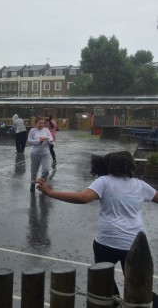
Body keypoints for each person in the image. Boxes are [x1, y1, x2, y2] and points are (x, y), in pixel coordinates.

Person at [37, 151, 158, 300]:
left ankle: (113, 300)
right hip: (135, 244)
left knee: (104, 280)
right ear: (130, 166)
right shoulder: (140, 185)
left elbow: (83, 198)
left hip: (107, 242)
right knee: (138, 284)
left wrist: (50, 192)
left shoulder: (104, 181)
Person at [27, 117, 53, 192]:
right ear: (36, 123)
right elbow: (29, 140)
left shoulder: (46, 130)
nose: (41, 125)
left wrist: (50, 141)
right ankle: (33, 183)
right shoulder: (32, 130)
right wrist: (38, 141)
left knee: (46, 170)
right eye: (39, 123)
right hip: (35, 153)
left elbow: (51, 139)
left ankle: (42, 184)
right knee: (34, 170)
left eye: (42, 123)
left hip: (45, 153)